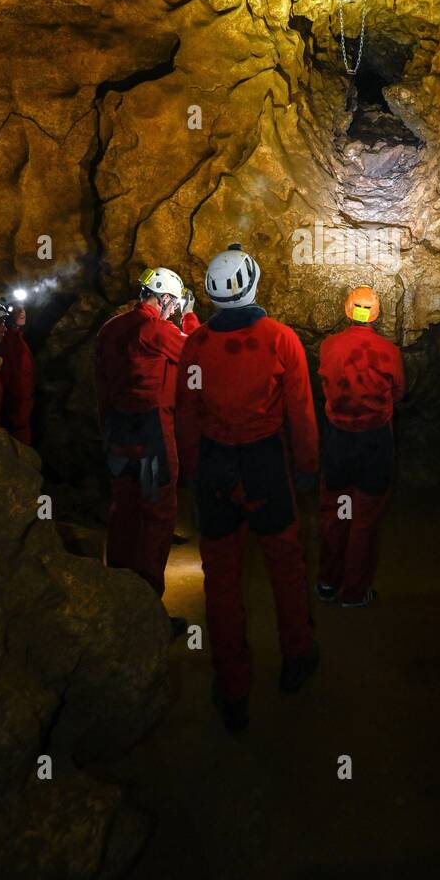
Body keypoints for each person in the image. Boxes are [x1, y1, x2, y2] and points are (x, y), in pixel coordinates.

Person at [175, 243, 319, 732]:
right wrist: (307, 466)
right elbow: (300, 409)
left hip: (216, 464)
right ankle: (297, 656)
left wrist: (192, 476)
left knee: (220, 577)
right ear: (253, 283)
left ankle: (233, 686)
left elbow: (187, 415)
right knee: (284, 562)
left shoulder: (194, 346)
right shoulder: (281, 339)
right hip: (263, 463)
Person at [95, 266, 200, 634]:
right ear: (166, 298)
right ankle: (148, 618)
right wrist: (190, 316)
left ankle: (118, 602)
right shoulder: (157, 330)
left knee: (123, 512)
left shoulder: (110, 328)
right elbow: (197, 355)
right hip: (151, 434)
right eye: (173, 302)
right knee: (156, 519)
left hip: (115, 432)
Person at [316, 284, 405, 607]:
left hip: (338, 442)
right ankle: (353, 592)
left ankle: (327, 581)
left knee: (336, 513)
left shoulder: (329, 346)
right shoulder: (389, 351)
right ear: (376, 314)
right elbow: (398, 392)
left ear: (347, 309)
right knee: (364, 519)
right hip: (373, 443)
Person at [0, 302, 35, 445]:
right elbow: (12, 380)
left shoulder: (19, 340)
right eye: (15, 309)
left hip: (21, 415)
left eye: (23, 308)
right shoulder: (6, 341)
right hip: (13, 418)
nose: (22, 312)